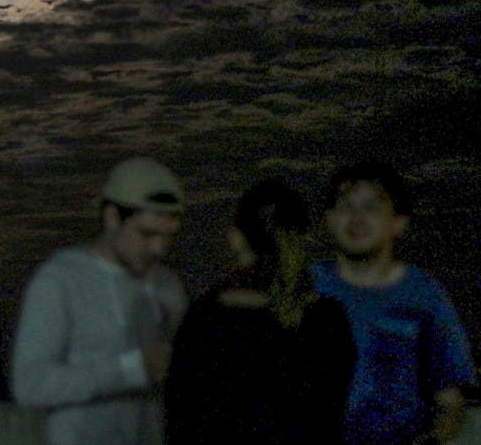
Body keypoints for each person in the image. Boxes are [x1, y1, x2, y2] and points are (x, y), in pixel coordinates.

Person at [11, 157, 187, 445]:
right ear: (112, 217)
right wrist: (132, 369)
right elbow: (30, 385)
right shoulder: (60, 280)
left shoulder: (168, 285)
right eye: (146, 234)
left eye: (168, 237)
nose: (158, 248)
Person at [165, 178, 355, 444]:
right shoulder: (328, 320)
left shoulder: (206, 317)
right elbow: (329, 418)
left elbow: (180, 416)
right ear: (302, 236)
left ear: (236, 237)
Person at [312, 161, 477, 445]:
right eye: (346, 206)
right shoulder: (300, 288)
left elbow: (449, 400)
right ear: (328, 218)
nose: (357, 217)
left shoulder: (425, 296)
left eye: (372, 207)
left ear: (399, 222)